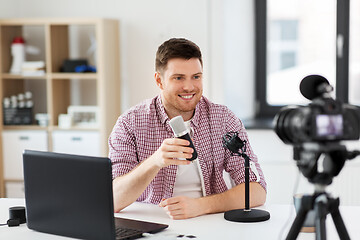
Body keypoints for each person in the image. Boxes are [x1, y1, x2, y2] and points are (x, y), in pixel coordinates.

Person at [109, 38, 267, 220]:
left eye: (196, 77)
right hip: (152, 223)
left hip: (207, 220)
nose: (189, 87)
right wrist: (154, 162)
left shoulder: (223, 119)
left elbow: (257, 191)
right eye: (178, 78)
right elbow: (114, 199)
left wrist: (201, 206)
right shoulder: (130, 123)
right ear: (159, 81)